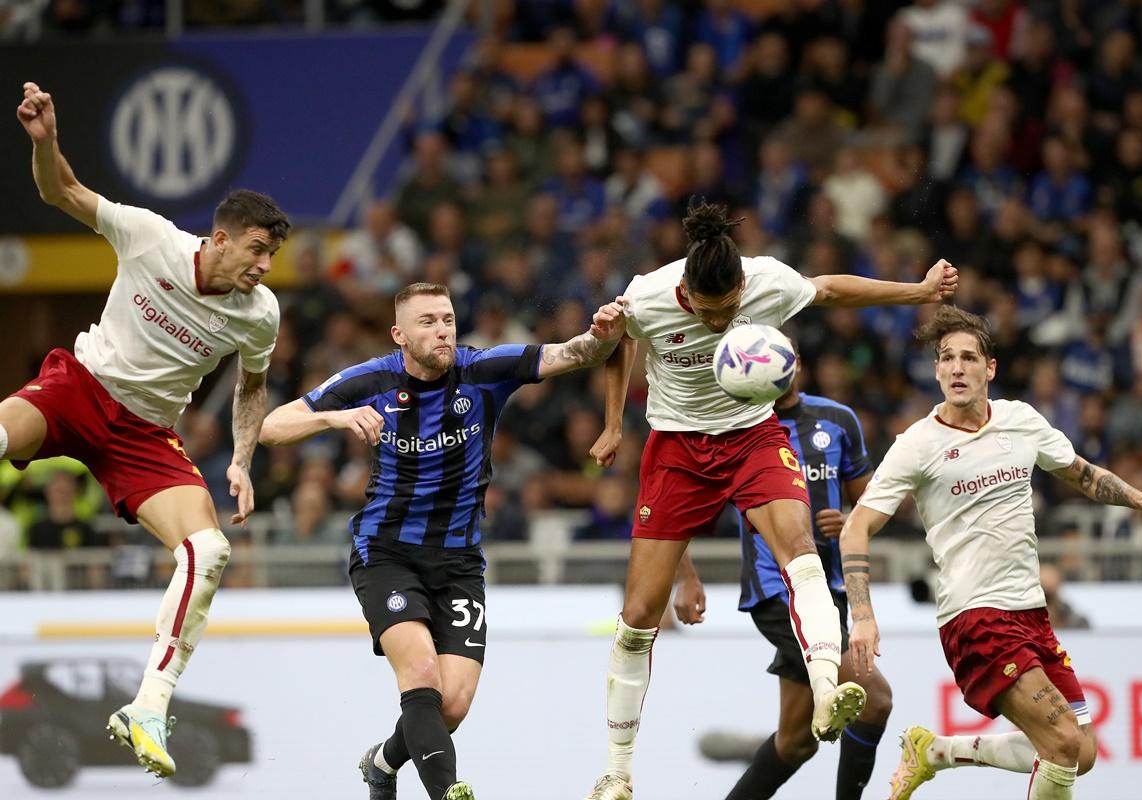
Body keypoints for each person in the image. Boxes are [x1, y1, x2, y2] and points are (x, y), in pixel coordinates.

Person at [583, 201, 958, 800]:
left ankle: (829, 688)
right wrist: (613, 425)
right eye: (712, 312)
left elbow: (832, 289)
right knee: (637, 618)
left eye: (732, 308)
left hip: (752, 434)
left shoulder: (766, 280)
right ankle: (617, 771)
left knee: (800, 550)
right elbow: (617, 343)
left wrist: (916, 292)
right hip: (677, 447)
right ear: (686, 292)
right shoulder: (648, 295)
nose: (722, 318)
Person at [10, 82, 290, 777]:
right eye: (255, 250)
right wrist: (45, 142)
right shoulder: (148, 236)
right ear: (219, 238)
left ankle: (148, 703)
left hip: (144, 436)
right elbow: (63, 193)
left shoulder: (260, 313)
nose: (263, 267)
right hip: (78, 390)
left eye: (271, 257)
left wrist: (243, 459)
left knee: (209, 551)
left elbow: (252, 389)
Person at [258, 283, 627, 800]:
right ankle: (449, 793)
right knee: (422, 676)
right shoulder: (371, 379)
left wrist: (599, 333)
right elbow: (270, 426)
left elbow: (576, 353)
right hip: (386, 552)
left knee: (449, 706)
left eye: (448, 318)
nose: (442, 330)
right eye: (427, 321)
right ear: (399, 334)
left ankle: (382, 762)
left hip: (459, 562)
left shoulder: (483, 370)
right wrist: (334, 417)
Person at [839, 305, 1142, 800]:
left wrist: (1136, 496)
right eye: (946, 359)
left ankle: (935, 752)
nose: (957, 368)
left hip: (1031, 614)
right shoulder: (917, 444)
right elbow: (856, 530)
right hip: (974, 616)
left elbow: (1080, 473)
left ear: (989, 368)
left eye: (968, 358)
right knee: (1062, 740)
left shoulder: (1020, 420)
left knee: (1080, 752)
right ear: (936, 370)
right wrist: (863, 615)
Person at [678, 369, 894, 800]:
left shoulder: (837, 420)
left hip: (830, 593)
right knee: (875, 699)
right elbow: (675, 502)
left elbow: (872, 503)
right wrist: (685, 577)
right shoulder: (733, 428)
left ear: (793, 361)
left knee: (795, 742)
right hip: (777, 594)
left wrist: (853, 521)